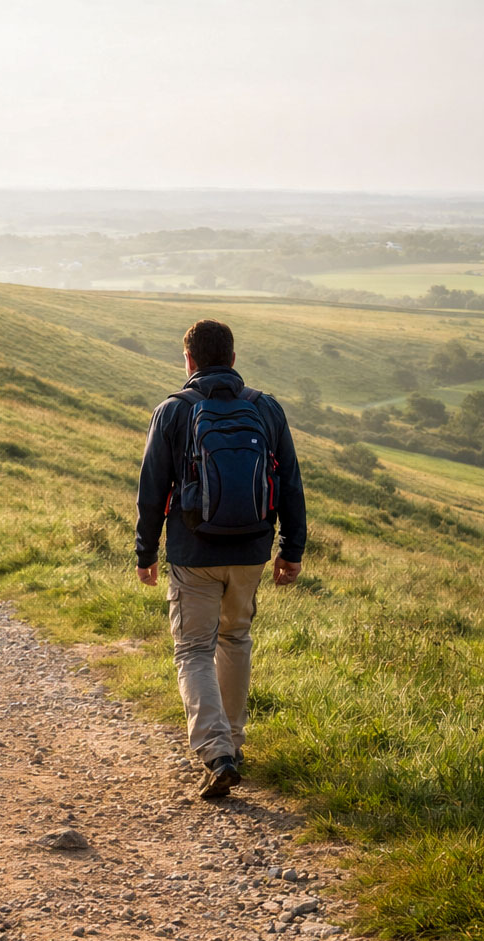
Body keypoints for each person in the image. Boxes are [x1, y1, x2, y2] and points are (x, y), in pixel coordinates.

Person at [135, 319, 306, 798]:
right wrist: (291, 549)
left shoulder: (173, 411)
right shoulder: (265, 408)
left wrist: (145, 551)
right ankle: (233, 739)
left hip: (193, 552)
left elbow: (152, 490)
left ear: (188, 360)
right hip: (252, 548)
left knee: (193, 649)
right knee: (236, 637)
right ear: (233, 359)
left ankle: (216, 752)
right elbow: (290, 482)